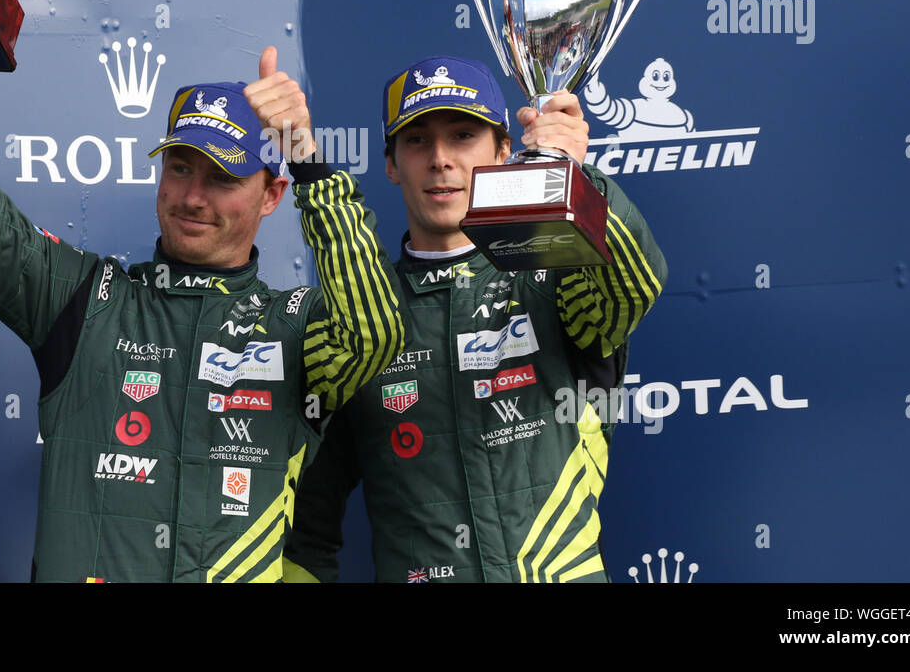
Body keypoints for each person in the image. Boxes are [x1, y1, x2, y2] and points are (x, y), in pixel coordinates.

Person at [0, 0, 403, 582]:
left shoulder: (297, 327)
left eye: (223, 178)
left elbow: (375, 330)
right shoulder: (80, 298)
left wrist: (308, 160)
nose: (193, 195)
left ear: (273, 195)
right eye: (181, 167)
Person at [283, 54, 666, 583]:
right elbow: (306, 530)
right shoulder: (359, 323)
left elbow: (636, 282)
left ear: (504, 152)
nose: (440, 160)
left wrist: (575, 178)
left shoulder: (554, 276)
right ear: (391, 164)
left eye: (463, 136)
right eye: (417, 141)